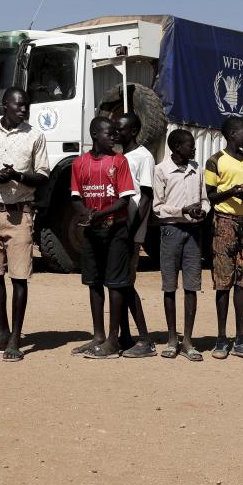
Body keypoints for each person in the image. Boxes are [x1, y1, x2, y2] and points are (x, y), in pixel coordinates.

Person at [0, 87, 50, 362]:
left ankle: (16, 337)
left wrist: (18, 176)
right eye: (19, 105)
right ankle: (1, 332)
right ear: (5, 105)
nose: (24, 109)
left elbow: (43, 176)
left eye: (26, 105)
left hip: (20, 214)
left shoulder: (35, 135)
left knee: (19, 277)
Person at [69, 116, 137, 359]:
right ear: (95, 135)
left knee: (116, 283)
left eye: (115, 133)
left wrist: (100, 214)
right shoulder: (79, 163)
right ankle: (98, 336)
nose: (114, 137)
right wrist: (86, 213)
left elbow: (124, 198)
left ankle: (113, 339)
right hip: (92, 231)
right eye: (109, 133)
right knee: (93, 281)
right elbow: (76, 196)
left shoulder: (120, 162)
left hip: (116, 229)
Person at [204, 116, 243, 360]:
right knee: (223, 281)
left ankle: (240, 339)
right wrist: (232, 192)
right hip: (224, 223)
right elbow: (211, 196)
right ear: (232, 134)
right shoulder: (215, 161)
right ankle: (221, 339)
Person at [154, 128, 209, 361]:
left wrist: (203, 211)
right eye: (190, 145)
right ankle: (171, 339)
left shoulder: (198, 169)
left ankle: (188, 340)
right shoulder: (161, 170)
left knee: (192, 286)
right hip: (171, 230)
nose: (194, 149)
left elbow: (205, 199)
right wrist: (182, 211)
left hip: (193, 232)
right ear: (176, 147)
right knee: (169, 286)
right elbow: (158, 207)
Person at [113, 113, 155, 358]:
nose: (117, 132)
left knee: (127, 283)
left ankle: (145, 339)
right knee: (118, 282)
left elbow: (146, 196)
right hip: (118, 226)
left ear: (134, 131)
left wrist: (134, 229)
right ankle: (124, 336)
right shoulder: (119, 157)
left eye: (121, 128)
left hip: (132, 227)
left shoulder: (143, 156)